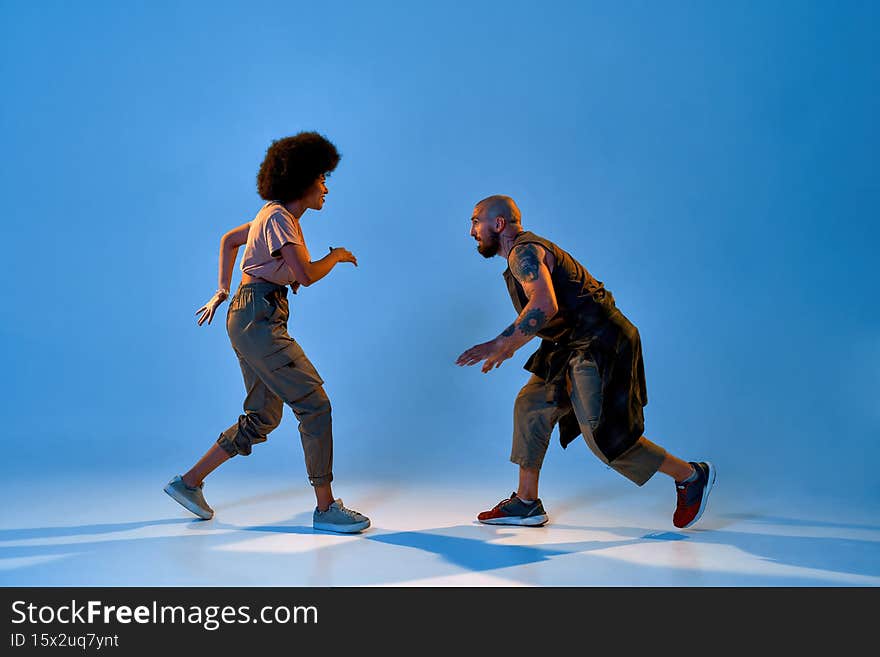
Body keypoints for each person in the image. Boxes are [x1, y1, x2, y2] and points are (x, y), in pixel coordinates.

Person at [456, 195, 714, 529]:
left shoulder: (524, 252)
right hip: (570, 344)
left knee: (603, 435)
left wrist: (501, 343)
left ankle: (691, 475)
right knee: (531, 405)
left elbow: (543, 305)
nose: (472, 230)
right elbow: (551, 309)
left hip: (600, 342)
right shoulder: (524, 254)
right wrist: (509, 345)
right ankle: (526, 502)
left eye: (476, 221)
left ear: (499, 224)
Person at [164, 132, 370, 533]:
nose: (326, 188)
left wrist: (224, 290)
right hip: (259, 317)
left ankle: (187, 483)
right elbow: (306, 275)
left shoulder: (273, 215)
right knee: (315, 405)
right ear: (302, 180)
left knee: (262, 416)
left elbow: (229, 241)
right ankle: (326, 509)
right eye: (322, 179)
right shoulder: (279, 218)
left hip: (249, 314)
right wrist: (337, 256)